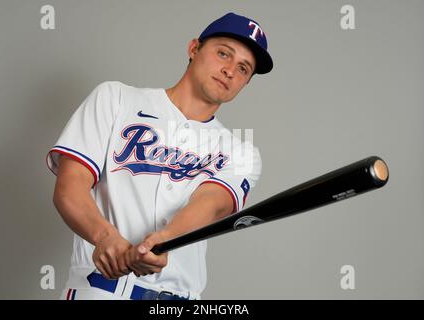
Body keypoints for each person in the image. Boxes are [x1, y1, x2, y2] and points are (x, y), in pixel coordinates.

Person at [46, 12, 273, 300]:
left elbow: (210, 203)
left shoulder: (242, 152)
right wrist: (104, 236)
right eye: (223, 53)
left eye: (243, 68)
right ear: (194, 49)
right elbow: (70, 186)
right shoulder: (115, 99)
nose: (230, 70)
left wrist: (166, 240)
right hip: (102, 291)